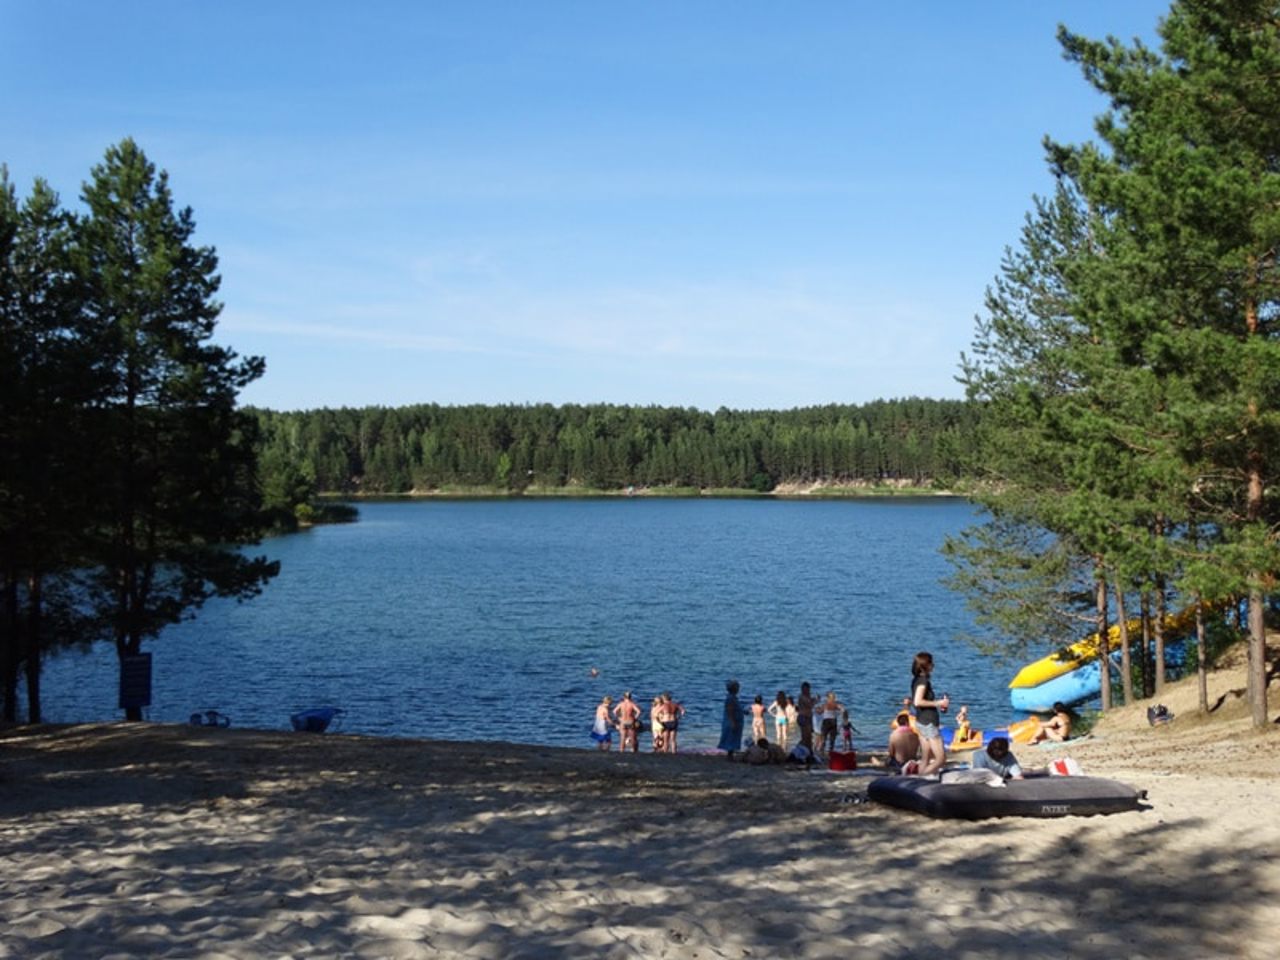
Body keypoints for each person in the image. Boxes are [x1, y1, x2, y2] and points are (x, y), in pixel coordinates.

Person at [911, 651, 950, 776]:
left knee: (925, 759)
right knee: (940, 759)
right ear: (925, 665)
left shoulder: (917, 680)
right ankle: (920, 777)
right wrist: (938, 703)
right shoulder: (923, 682)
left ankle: (919, 782)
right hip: (928, 722)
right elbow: (918, 701)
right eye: (931, 663)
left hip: (921, 721)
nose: (933, 665)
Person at [717, 679, 748, 760]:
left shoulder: (734, 698)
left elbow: (736, 708)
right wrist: (732, 722)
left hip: (735, 721)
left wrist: (743, 711)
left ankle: (731, 754)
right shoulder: (730, 698)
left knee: (734, 737)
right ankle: (729, 755)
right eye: (737, 687)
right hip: (732, 721)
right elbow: (729, 710)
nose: (738, 689)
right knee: (731, 738)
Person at [818, 690, 843, 756]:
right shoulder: (835, 704)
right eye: (833, 697)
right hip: (833, 721)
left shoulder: (826, 704)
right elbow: (842, 709)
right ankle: (829, 752)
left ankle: (822, 752)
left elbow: (820, 712)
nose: (834, 698)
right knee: (831, 739)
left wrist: (817, 709)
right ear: (829, 698)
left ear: (827, 698)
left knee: (824, 737)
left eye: (834, 697)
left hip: (827, 721)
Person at [796, 682, 816, 751]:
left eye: (807, 689)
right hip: (803, 717)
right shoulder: (802, 696)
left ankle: (808, 752)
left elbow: (809, 705)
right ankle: (799, 750)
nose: (807, 690)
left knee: (808, 737)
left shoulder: (807, 696)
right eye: (804, 689)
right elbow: (810, 705)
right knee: (806, 737)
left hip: (808, 718)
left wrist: (813, 700)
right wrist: (816, 700)